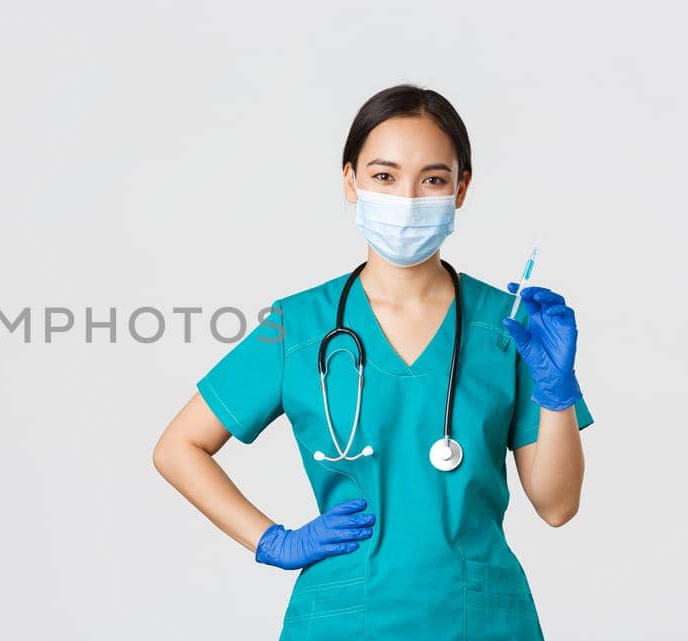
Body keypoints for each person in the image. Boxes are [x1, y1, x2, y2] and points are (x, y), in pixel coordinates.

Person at [151, 84, 594, 640]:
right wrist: (273, 541)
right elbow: (177, 448)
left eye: (432, 178)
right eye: (384, 176)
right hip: (343, 619)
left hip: (478, 620)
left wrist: (556, 395)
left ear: (461, 188)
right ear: (350, 181)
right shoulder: (299, 326)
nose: (407, 198)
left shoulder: (509, 327)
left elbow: (557, 506)